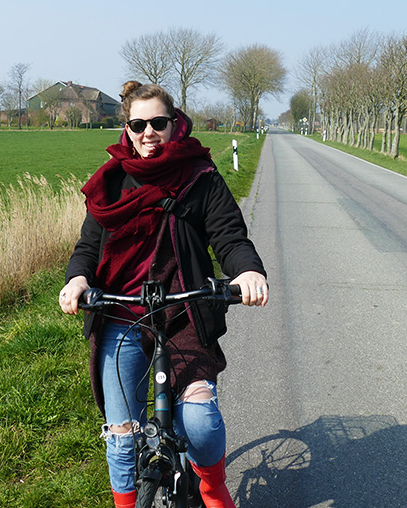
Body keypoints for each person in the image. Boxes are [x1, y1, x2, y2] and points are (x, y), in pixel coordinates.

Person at [59, 81, 268, 508]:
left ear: (174, 124)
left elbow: (229, 237)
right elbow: (87, 248)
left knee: (199, 421)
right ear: (127, 128)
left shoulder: (201, 177)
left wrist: (246, 271)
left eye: (158, 122)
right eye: (138, 124)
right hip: (120, 315)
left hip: (182, 315)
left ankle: (210, 484)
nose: (148, 132)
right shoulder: (111, 184)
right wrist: (78, 280)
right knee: (122, 439)